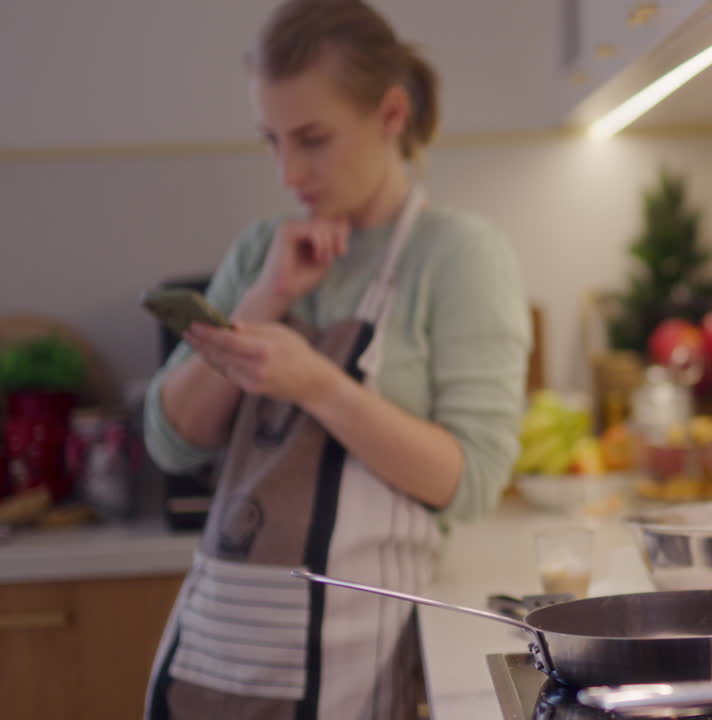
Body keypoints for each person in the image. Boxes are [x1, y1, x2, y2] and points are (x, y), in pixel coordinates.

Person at [142, 1, 530, 717]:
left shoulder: (459, 255)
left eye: (313, 139)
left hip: (360, 652)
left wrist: (318, 385)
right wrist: (266, 295)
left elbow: (470, 481)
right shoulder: (262, 250)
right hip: (226, 640)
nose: (288, 171)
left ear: (391, 115)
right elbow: (170, 440)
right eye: (271, 140)